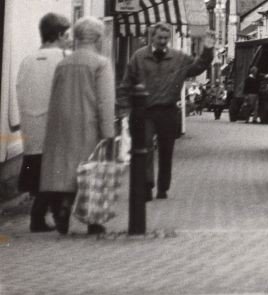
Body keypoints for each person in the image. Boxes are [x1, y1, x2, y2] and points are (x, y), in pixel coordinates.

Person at [118, 22, 213, 201]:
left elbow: (197, 67)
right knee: (145, 147)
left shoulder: (178, 58)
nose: (162, 41)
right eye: (159, 38)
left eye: (165, 38)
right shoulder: (139, 57)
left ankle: (163, 187)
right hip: (144, 111)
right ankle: (147, 185)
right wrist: (124, 109)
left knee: (166, 150)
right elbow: (126, 83)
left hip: (168, 110)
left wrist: (207, 50)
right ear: (151, 38)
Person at [39, 17, 116, 235]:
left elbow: (54, 97)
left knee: (67, 170)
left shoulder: (63, 63)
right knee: (92, 170)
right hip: (89, 124)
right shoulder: (101, 64)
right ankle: (94, 220)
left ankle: (63, 206)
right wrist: (108, 133)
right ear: (99, 38)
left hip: (63, 126)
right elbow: (105, 101)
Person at [14, 13, 70, 232]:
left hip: (31, 129)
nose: (68, 40)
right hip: (55, 128)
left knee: (38, 174)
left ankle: (47, 217)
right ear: (58, 35)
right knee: (53, 176)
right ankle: (43, 217)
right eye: (66, 35)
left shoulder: (27, 60)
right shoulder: (64, 57)